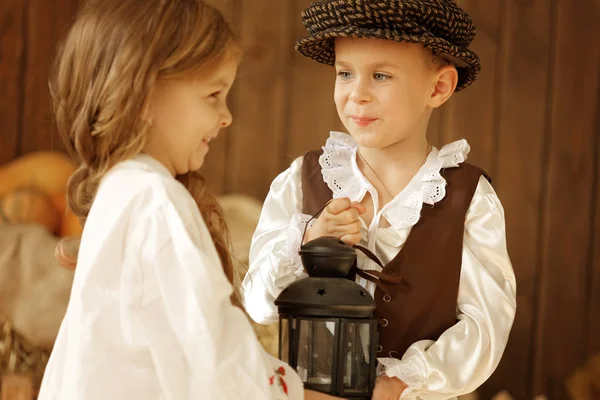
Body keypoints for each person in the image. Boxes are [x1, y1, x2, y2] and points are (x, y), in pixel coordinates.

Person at [38, 1, 338, 399]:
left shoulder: (125, 189)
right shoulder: (154, 200)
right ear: (143, 94)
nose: (226, 116)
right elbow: (216, 364)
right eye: (213, 94)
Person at [243, 1, 517, 399]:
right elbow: (259, 305)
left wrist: (400, 382)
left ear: (438, 87)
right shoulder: (301, 182)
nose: (358, 94)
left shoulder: (469, 198)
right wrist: (305, 241)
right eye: (345, 73)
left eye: (381, 76)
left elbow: (485, 327)